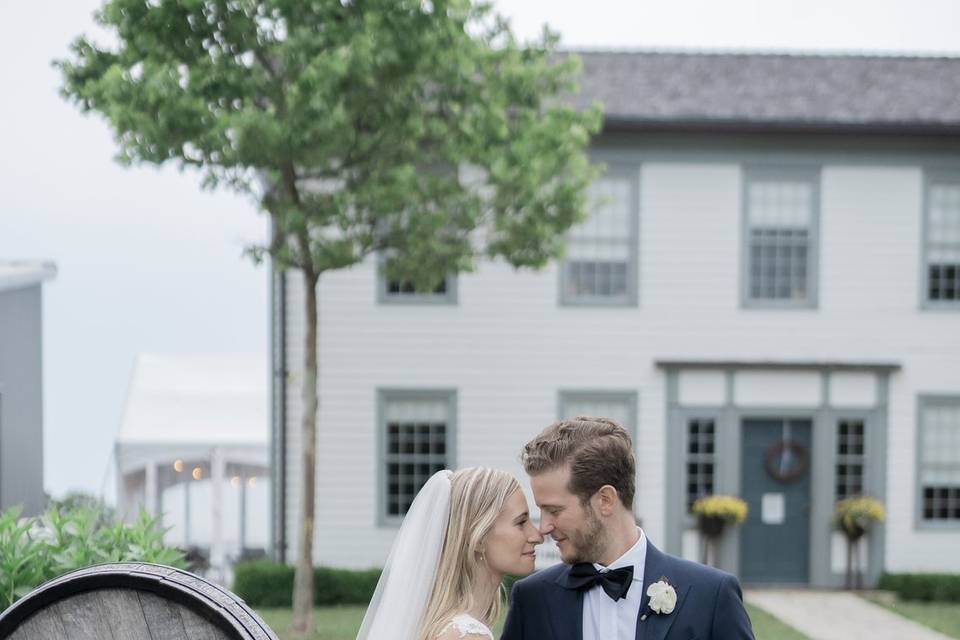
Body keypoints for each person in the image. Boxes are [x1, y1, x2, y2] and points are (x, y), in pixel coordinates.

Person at [501, 417, 755, 640]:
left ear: (605, 500)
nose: (543, 527)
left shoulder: (711, 595)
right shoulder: (532, 599)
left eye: (554, 511)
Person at [357, 467, 543, 640]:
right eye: (521, 523)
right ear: (478, 539)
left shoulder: (443, 626)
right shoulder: (467, 635)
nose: (537, 536)